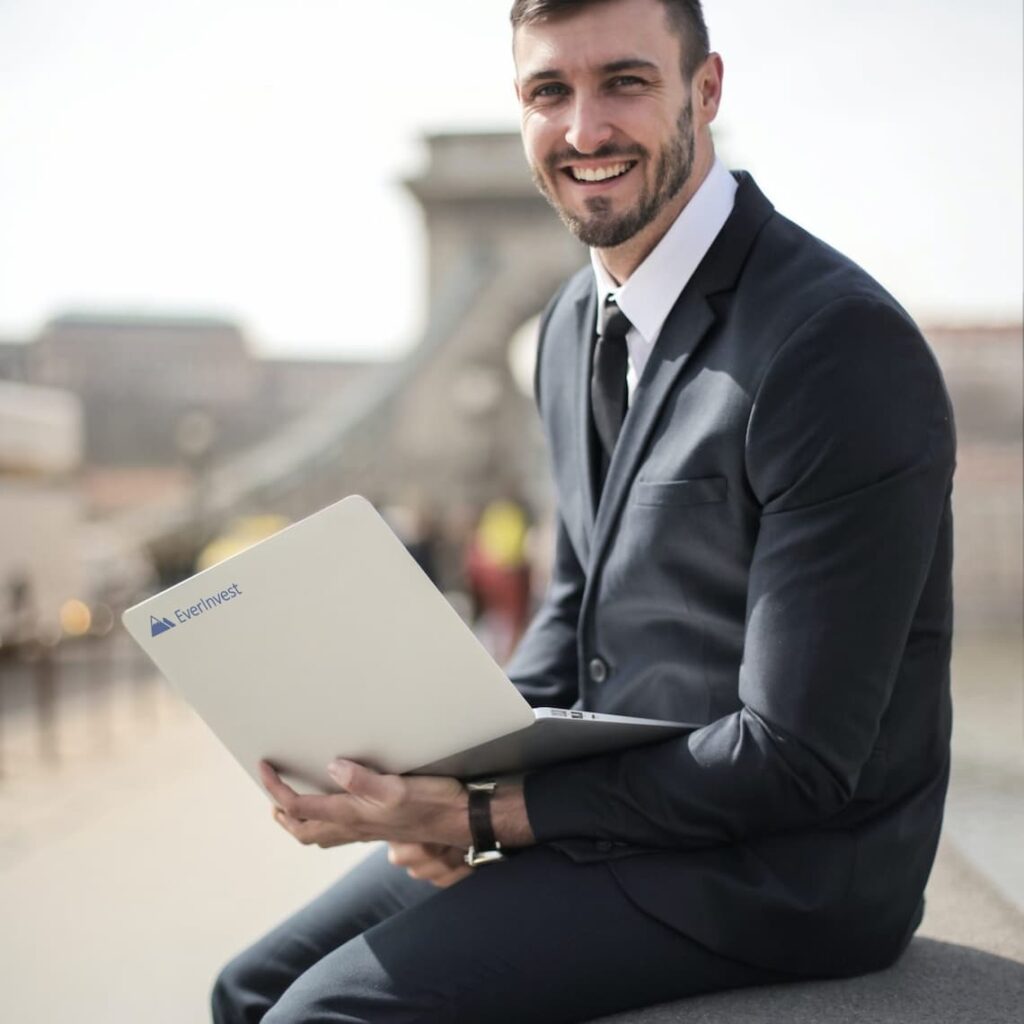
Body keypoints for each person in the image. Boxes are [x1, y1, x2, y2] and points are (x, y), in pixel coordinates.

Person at [212, 1, 956, 1021]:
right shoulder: (570, 323)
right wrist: (432, 779)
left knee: (322, 1015)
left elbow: (796, 760)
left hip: (785, 869)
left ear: (705, 90)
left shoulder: (832, 348)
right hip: (625, 817)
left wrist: (486, 813)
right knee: (246, 987)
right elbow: (573, 604)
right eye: (547, 91)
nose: (584, 130)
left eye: (625, 82)